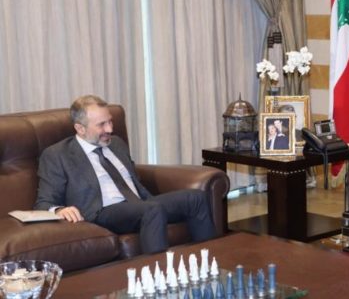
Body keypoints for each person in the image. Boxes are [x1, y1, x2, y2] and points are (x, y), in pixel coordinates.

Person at [35, 95, 216, 254]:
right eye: (101, 125)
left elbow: (135, 182)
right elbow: (43, 202)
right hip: (103, 212)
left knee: (196, 198)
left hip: (140, 205)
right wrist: (59, 210)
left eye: (110, 121)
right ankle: (158, 282)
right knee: (152, 210)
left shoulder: (116, 144)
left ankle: (211, 266)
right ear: (80, 128)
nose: (110, 129)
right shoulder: (57, 155)